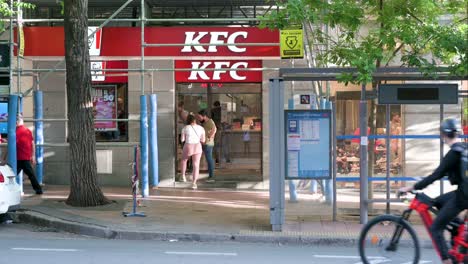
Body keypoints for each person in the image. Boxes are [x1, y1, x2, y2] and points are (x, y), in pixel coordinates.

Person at [399, 118, 467, 264]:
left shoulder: (452, 155)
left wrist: (412, 187)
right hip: (463, 192)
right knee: (438, 201)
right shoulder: (463, 148)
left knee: (435, 228)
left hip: (463, 196)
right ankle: (457, 233)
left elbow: (435, 176)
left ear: (443, 134)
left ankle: (446, 260)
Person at [16, 115, 43, 195]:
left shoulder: (15, 132)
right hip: (26, 157)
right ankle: (38, 190)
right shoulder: (28, 131)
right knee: (31, 175)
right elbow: (32, 144)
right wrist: (33, 156)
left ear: (17, 122)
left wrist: (4, 157)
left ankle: (39, 190)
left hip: (18, 158)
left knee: (11, 175)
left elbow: (12, 145)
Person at [180, 114, 205, 190]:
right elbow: (203, 140)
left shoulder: (185, 128)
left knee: (184, 161)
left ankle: (183, 176)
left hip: (188, 146)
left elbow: (182, 140)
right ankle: (194, 183)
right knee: (196, 164)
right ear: (195, 120)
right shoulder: (201, 128)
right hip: (197, 147)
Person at [198, 109, 216, 182]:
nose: (199, 118)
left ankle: (211, 177)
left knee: (209, 159)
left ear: (204, 116)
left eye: (200, 117)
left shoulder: (210, 122)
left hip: (208, 144)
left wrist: (209, 137)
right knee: (208, 159)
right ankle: (210, 175)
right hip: (205, 143)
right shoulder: (205, 122)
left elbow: (215, 129)